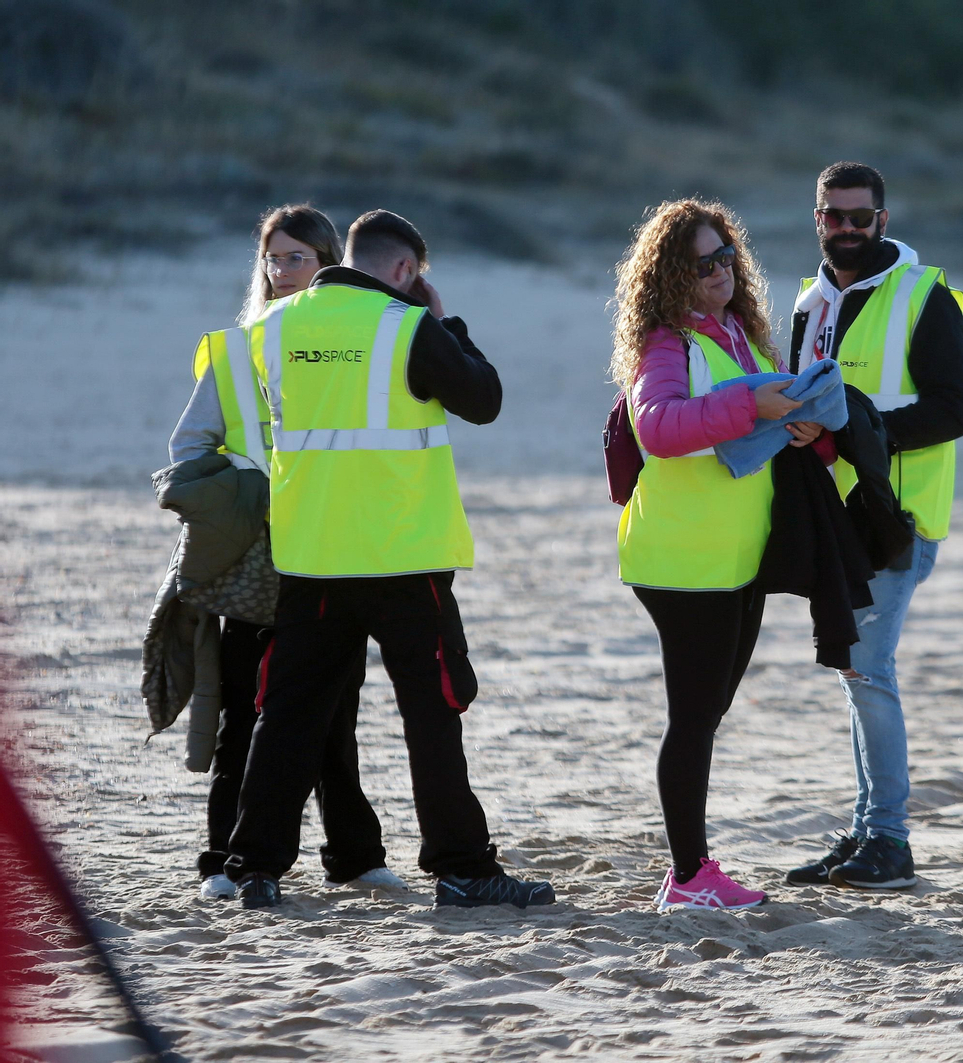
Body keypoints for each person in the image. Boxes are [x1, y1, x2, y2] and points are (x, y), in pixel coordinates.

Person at [223, 209, 553, 910]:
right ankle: (461, 866)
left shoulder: (271, 327)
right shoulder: (408, 326)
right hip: (404, 557)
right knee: (433, 714)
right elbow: (484, 398)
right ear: (406, 271)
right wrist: (447, 323)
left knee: (285, 714)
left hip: (312, 555)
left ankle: (254, 865)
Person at [167, 204, 399, 901]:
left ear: (329, 262)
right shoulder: (237, 349)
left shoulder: (353, 344)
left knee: (335, 709)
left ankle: (355, 855)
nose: (283, 270)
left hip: (334, 551)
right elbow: (186, 453)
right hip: (259, 561)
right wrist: (247, 501)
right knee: (246, 708)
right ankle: (219, 859)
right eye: (274, 257)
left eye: (298, 256)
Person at [784, 162, 963, 890]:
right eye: (834, 217)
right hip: (835, 518)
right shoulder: (811, 300)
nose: (848, 230)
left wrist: (861, 430)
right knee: (854, 670)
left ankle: (889, 840)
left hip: (896, 517)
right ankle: (867, 831)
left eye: (860, 218)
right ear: (818, 218)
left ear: (883, 221)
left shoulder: (926, 297)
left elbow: (954, 410)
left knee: (868, 669)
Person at [613, 198, 802, 910]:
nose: (721, 272)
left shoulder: (737, 332)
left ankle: (687, 870)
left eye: (727, 257)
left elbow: (750, 426)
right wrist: (756, 406)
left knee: (706, 713)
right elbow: (659, 428)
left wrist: (799, 420)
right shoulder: (664, 344)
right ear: (670, 273)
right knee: (693, 718)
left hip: (736, 557)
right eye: (704, 263)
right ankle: (690, 876)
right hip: (681, 560)